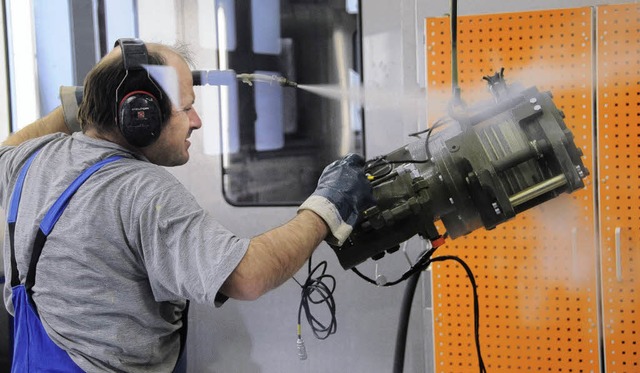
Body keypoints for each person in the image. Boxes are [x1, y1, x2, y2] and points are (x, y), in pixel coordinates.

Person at [1, 38, 374, 372]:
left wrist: (89, 100)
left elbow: (7, 147)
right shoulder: (141, 191)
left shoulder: (32, 160)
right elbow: (248, 276)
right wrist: (328, 206)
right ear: (140, 116)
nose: (196, 122)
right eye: (186, 108)